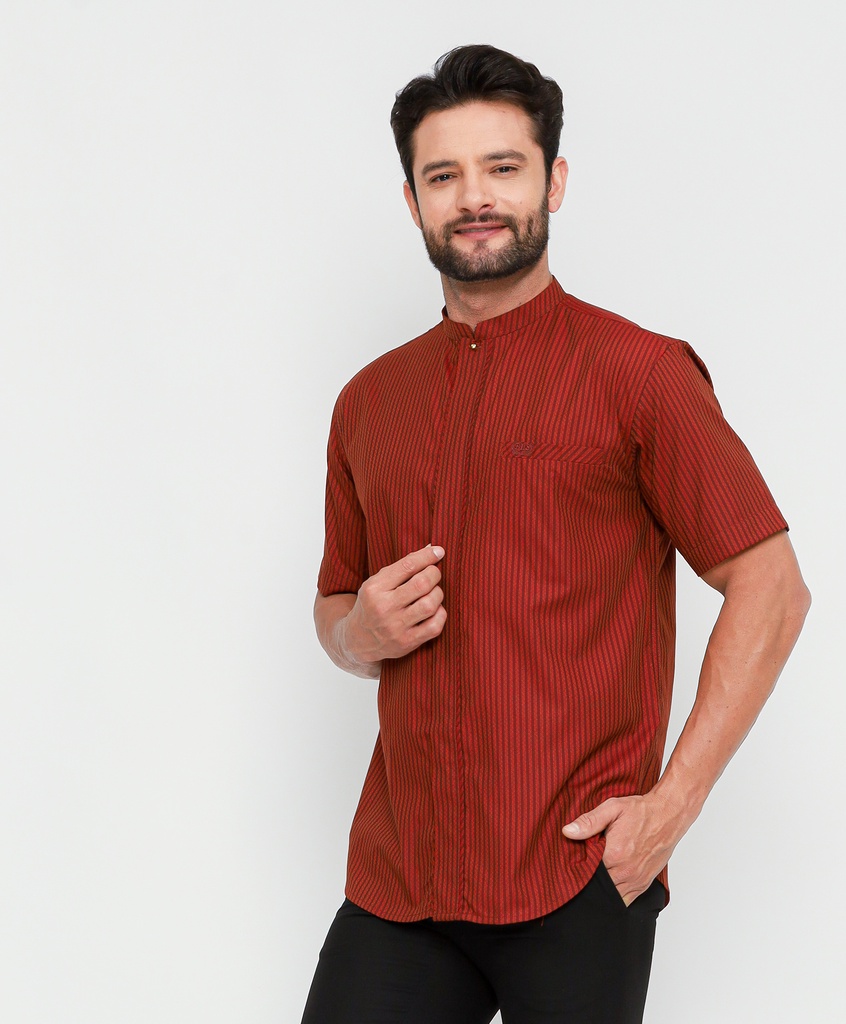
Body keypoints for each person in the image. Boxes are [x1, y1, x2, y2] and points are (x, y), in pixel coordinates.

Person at [301, 44, 810, 1024]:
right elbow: (334, 608)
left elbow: (772, 586)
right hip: (401, 877)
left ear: (554, 181)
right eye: (443, 175)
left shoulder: (640, 374)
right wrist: (357, 632)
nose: (474, 198)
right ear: (411, 200)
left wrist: (671, 808)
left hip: (575, 874)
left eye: (503, 167)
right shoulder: (368, 401)